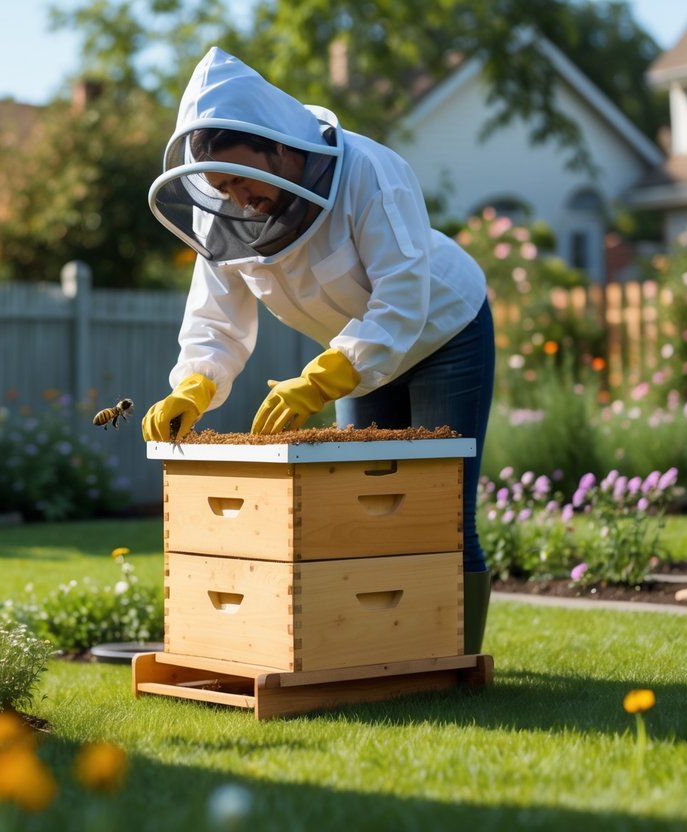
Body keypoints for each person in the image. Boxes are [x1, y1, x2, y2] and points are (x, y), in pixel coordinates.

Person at [141, 47, 496, 654]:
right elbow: (216, 321)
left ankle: (454, 664)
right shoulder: (225, 215)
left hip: (445, 333)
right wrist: (193, 385)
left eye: (240, 177)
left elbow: (403, 297)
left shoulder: (370, 173)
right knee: (360, 511)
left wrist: (328, 375)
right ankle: (380, 655)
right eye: (220, 186)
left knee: (441, 512)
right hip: (354, 361)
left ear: (277, 144)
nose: (236, 196)